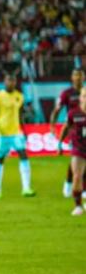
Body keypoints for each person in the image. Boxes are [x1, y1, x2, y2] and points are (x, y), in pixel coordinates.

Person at [0, 72, 35, 198]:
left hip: (16, 133)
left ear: (15, 82)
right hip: (2, 134)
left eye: (13, 81)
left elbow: (20, 115)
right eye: (8, 80)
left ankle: (26, 188)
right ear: (4, 82)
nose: (11, 83)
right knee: (0, 159)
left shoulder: (19, 96)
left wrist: (24, 130)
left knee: (23, 155)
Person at [49, 68, 84, 197]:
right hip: (73, 131)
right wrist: (52, 124)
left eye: (81, 75)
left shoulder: (85, 92)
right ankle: (70, 185)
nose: (79, 78)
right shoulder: (66, 93)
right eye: (76, 75)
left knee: (79, 160)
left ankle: (74, 186)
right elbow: (57, 109)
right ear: (72, 78)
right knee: (77, 158)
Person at [57, 87, 86, 216]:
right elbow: (66, 127)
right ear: (80, 98)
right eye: (84, 96)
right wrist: (60, 143)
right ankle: (78, 206)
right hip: (78, 149)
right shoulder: (73, 113)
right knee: (77, 175)